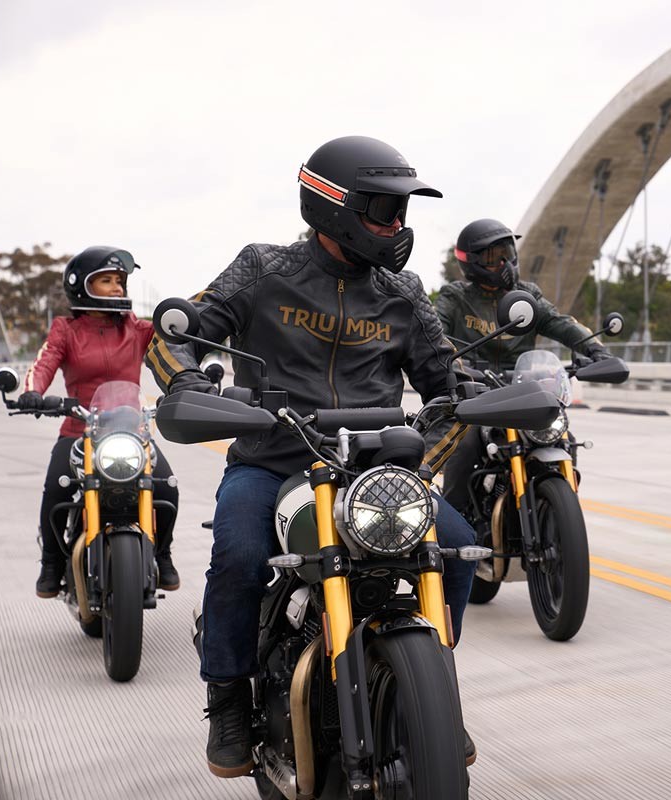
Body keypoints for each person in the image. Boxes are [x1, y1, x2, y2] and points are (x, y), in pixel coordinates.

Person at [145, 135, 479, 777]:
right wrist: (185, 380)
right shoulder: (263, 269)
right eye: (385, 209)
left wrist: (452, 429)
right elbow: (177, 333)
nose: (398, 225)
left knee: (458, 550)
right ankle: (228, 697)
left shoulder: (403, 292)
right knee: (239, 557)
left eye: (403, 211)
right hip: (271, 461)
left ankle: (434, 688)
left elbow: (447, 382)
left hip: (371, 470)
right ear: (335, 207)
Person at [20, 247, 180, 598]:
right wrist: (33, 392)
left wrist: (193, 378)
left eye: (119, 281)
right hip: (80, 431)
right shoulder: (66, 330)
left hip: (131, 431)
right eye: (106, 280)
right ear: (82, 286)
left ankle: (163, 553)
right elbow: (44, 362)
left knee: (167, 486)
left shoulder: (136, 329)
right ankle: (51, 563)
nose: (116, 287)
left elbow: (173, 348)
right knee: (56, 489)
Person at [435, 218, 613, 515]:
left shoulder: (527, 295)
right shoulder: (457, 297)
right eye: (494, 257)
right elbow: (435, 334)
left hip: (521, 392)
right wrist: (453, 364)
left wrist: (596, 350)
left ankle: (558, 508)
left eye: (508, 253)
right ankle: (458, 527)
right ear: (473, 261)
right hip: (473, 393)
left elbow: (561, 324)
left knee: (562, 436)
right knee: (464, 446)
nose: (505, 263)